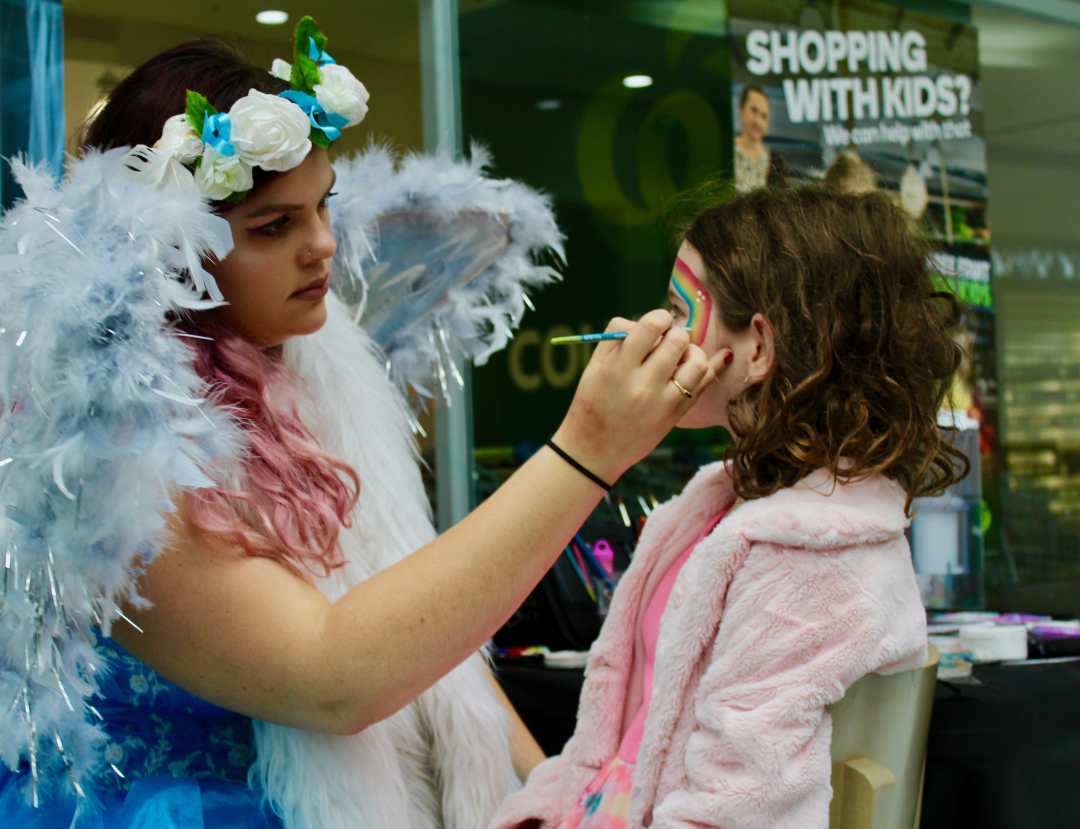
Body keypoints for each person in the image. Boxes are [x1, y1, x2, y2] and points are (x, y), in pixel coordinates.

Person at [0, 21, 714, 829]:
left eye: (323, 207)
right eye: (274, 226)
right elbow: (333, 674)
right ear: (168, 256)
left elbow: (438, 655)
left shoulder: (310, 381)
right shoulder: (115, 450)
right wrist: (584, 453)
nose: (324, 246)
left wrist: (552, 793)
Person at [491, 185, 969, 829]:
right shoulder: (713, 509)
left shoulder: (814, 565)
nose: (653, 328)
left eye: (675, 308)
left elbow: (735, 810)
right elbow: (607, 750)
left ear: (759, 349)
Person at [733, 85, 774, 193]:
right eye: (754, 110)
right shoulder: (728, 152)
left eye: (764, 116)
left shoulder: (772, 161)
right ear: (742, 109)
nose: (758, 122)